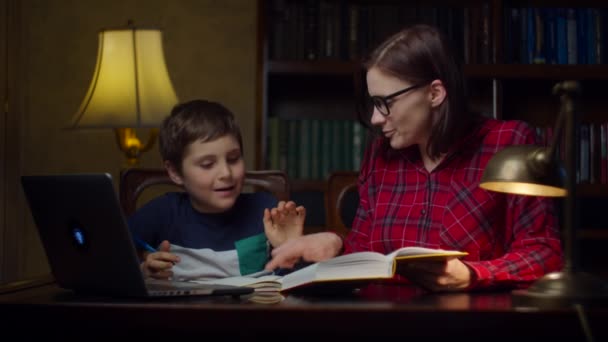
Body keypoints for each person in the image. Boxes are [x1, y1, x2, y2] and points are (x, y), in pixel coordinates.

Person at [266, 24, 564, 292]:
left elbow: (544, 252)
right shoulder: (381, 154)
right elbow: (367, 253)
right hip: (383, 320)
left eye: (385, 103)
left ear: (435, 93)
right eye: (373, 103)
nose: (375, 118)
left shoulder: (508, 142)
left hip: (472, 323)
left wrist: (474, 274)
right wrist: (336, 243)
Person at [128, 99, 305, 280]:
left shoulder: (268, 211)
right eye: (207, 164)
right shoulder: (161, 213)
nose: (226, 173)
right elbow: (108, 263)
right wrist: (142, 271)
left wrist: (291, 251)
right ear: (175, 172)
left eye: (234, 158)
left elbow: (293, 285)